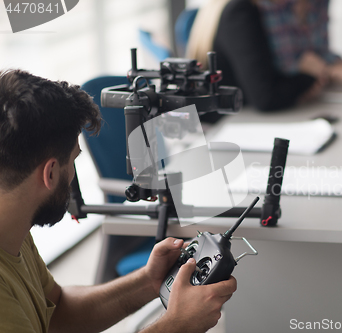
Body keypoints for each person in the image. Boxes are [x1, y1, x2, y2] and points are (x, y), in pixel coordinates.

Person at [0, 69, 237, 333]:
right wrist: (177, 325)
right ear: (51, 173)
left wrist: (149, 281)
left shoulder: (13, 226)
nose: (72, 176)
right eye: (74, 160)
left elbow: (59, 311)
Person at [186, 0, 342, 112]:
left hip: (273, 117)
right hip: (225, 127)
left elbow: (315, 55)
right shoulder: (241, 11)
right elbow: (267, 97)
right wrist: (320, 74)